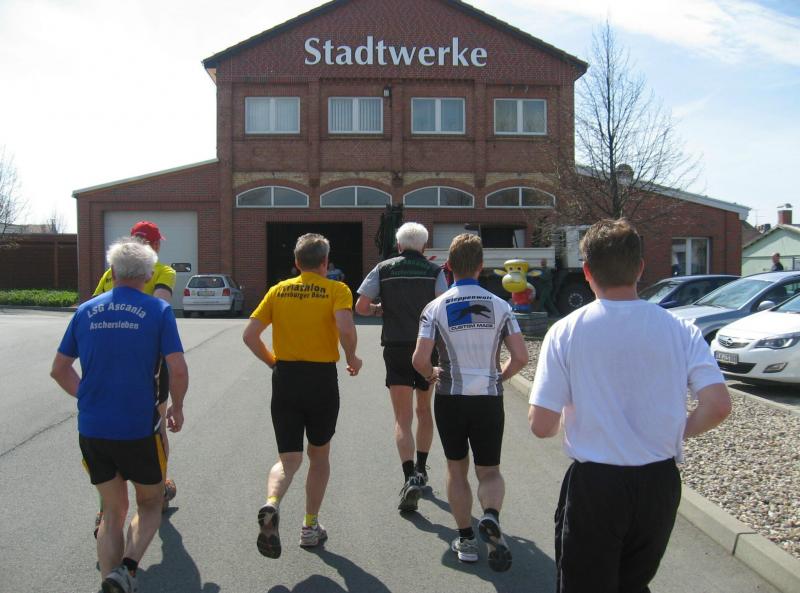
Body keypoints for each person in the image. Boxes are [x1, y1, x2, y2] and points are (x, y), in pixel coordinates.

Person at [528, 218, 732, 593]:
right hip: (659, 483)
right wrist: (676, 430)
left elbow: (542, 425)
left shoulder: (566, 331)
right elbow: (717, 405)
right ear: (640, 268)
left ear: (587, 271)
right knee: (634, 584)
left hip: (596, 485)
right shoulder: (680, 329)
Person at [51, 237, 189, 593]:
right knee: (151, 502)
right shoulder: (158, 311)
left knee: (112, 512)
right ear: (148, 275)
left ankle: (110, 581)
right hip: (138, 428)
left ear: (112, 272)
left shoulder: (86, 310)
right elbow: (177, 368)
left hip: (93, 427)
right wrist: (177, 406)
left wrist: (88, 395)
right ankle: (127, 568)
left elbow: (59, 369)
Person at [413, 233, 528, 570]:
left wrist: (433, 373)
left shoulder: (435, 307)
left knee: (456, 468)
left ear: (448, 266)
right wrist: (499, 377)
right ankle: (490, 515)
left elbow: (419, 360)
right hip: (488, 398)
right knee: (489, 470)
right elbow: (521, 357)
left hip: (451, 398)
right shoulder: (501, 305)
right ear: (481, 265)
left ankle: (465, 539)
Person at [243, 233, 362, 558]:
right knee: (319, 455)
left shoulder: (277, 290)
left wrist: (273, 363)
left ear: (296, 262)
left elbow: (250, 335)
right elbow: (345, 327)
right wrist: (352, 357)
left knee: (288, 459)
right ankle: (310, 527)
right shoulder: (336, 289)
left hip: (286, 377)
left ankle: (272, 503)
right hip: (321, 379)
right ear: (325, 262)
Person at [91, 220, 178, 536]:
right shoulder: (163, 271)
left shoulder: (111, 273)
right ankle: (159, 488)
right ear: (155, 245)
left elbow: (93, 308)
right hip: (149, 363)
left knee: (104, 433)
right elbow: (162, 304)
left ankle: (106, 510)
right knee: (157, 426)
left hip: (105, 362)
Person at [355, 222, 448, 512]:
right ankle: (422, 468)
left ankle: (409, 477)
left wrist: (379, 309)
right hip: (426, 348)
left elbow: (361, 306)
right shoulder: (435, 271)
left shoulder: (383, 269)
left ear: (398, 245)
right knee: (424, 410)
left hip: (395, 346)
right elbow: (443, 307)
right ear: (424, 246)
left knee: (402, 417)